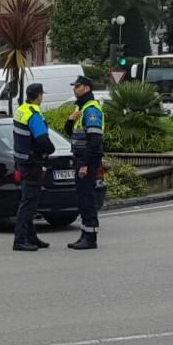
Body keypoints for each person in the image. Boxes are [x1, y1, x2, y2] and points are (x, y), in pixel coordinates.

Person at [12, 84, 55, 252]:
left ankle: (31, 237)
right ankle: (20, 239)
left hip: (22, 162)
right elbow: (42, 139)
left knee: (28, 200)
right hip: (32, 163)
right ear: (38, 96)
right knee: (29, 203)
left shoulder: (21, 110)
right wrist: (51, 150)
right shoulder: (34, 115)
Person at [64, 75, 104, 250]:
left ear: (86, 88)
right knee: (82, 199)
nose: (75, 89)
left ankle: (91, 237)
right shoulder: (80, 109)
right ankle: (84, 234)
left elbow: (95, 141)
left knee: (87, 199)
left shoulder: (91, 110)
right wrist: (69, 120)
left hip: (87, 161)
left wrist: (86, 164)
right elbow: (71, 134)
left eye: (78, 86)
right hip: (80, 160)